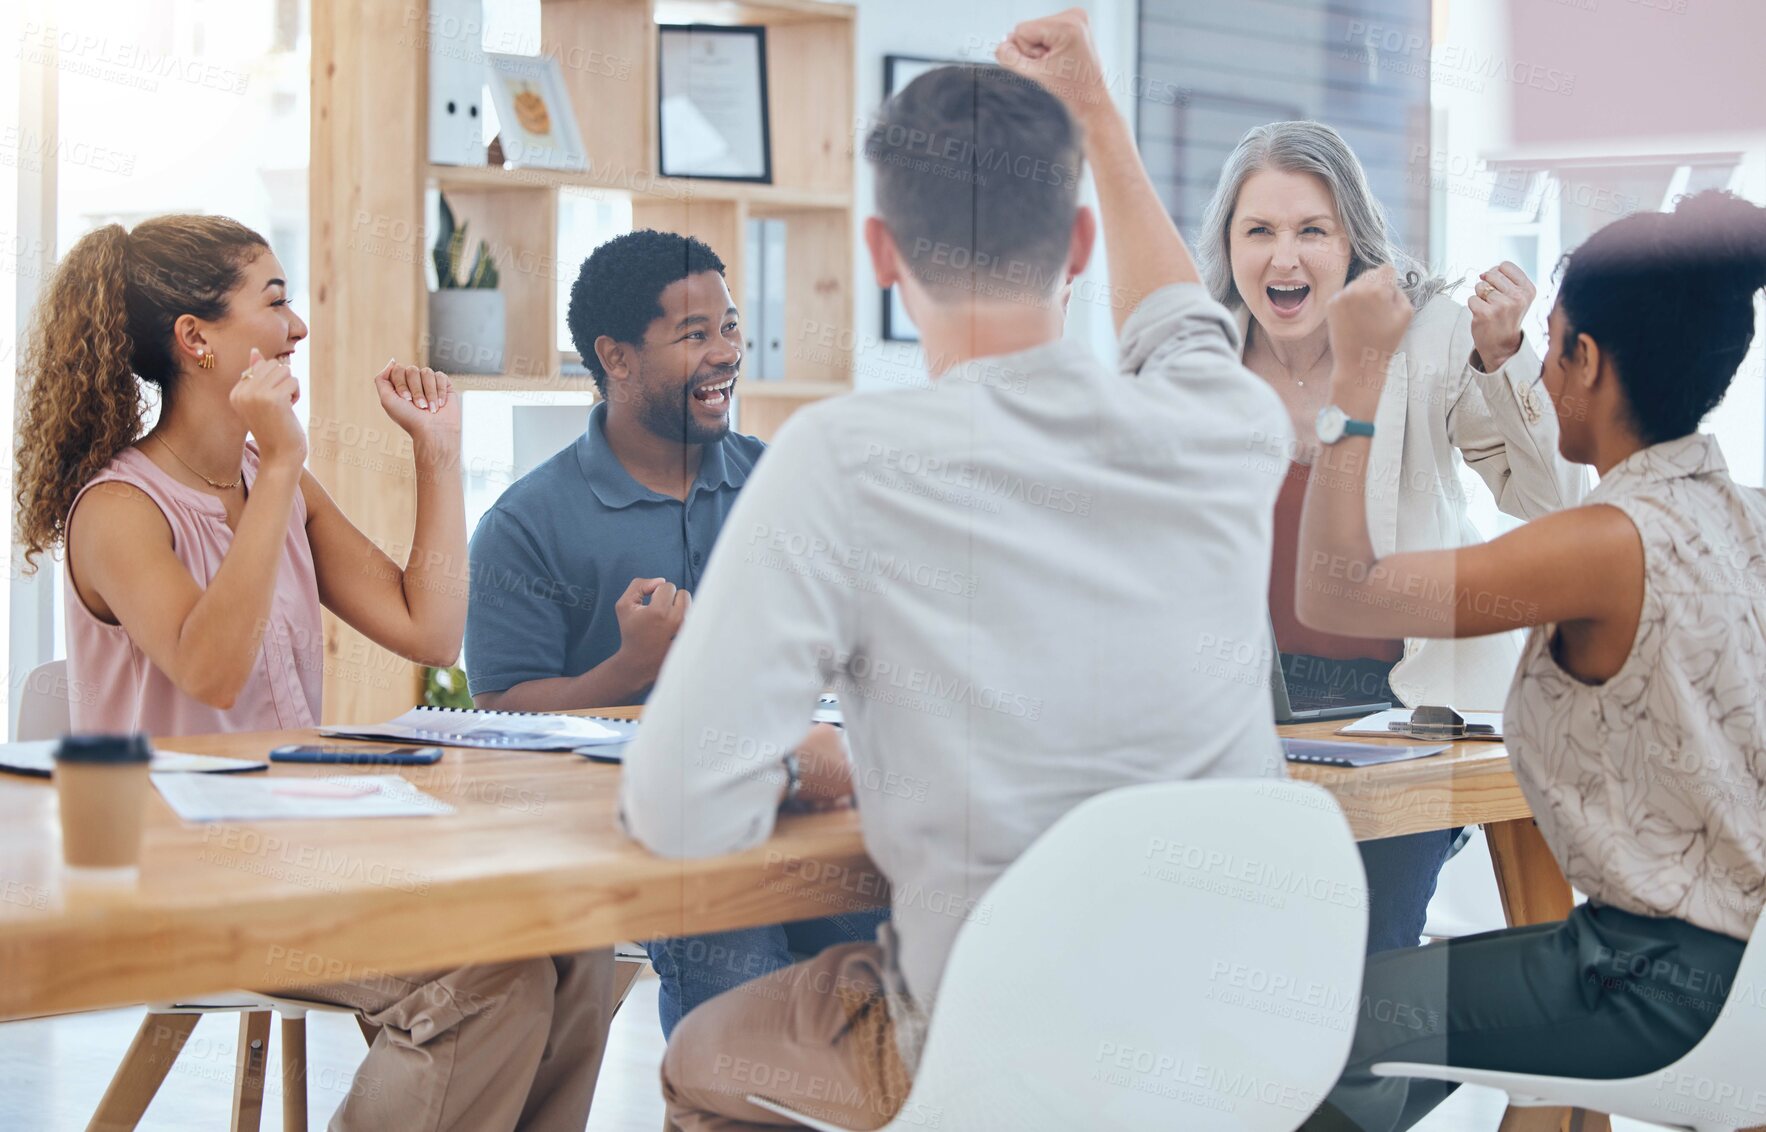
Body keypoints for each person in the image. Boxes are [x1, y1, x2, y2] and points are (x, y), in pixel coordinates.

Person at [620, 11, 1295, 1130]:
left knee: (700, 1052)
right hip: (1235, 1031)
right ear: (1075, 247)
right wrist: (1096, 114)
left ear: (882, 260)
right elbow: (1179, 326)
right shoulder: (1225, 420)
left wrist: (809, 760)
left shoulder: (845, 458)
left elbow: (683, 803)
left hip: (1006, 1048)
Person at [14, 214, 611, 1132]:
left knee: (574, 937)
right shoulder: (120, 509)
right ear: (197, 340)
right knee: (490, 981)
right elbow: (211, 670)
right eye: (276, 301)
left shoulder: (267, 476)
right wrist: (286, 461)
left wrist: (438, 453)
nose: (297, 329)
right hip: (184, 878)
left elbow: (428, 629)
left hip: (301, 849)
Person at [1294, 190, 1766, 1130]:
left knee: (1310, 1031)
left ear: (1585, 359)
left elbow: (1335, 592)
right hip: (1744, 982)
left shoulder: (1605, 541)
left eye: (1548, 346)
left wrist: (1357, 377)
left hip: (1649, 989)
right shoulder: (1743, 513)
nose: (1539, 374)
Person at [464, 228, 885, 1038]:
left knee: (904, 941)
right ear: (616, 358)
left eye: (730, 328)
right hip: (652, 834)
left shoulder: (782, 484)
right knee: (736, 970)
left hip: (806, 806)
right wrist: (629, 668)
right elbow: (500, 716)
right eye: (695, 335)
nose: (725, 353)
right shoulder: (525, 525)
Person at [1195, 119, 1589, 953]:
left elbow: (1554, 502)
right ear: (1227, 244)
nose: (1284, 258)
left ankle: (1418, 1072)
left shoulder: (1431, 336)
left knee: (1362, 958)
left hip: (1399, 709)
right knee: (1225, 949)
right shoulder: (1200, 358)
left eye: (1311, 230)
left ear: (1353, 243)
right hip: (1243, 711)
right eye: (1258, 231)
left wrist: (1508, 356)